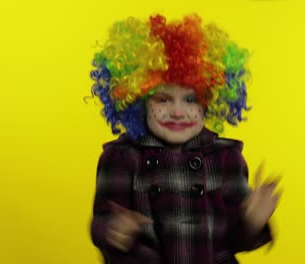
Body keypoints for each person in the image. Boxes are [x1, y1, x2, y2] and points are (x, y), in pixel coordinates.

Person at [88, 13, 281, 264]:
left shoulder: (225, 158)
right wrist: (113, 229)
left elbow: (236, 240)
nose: (178, 111)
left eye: (191, 99)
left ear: (209, 102)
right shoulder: (122, 157)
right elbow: (100, 220)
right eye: (163, 99)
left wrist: (252, 220)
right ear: (139, 101)